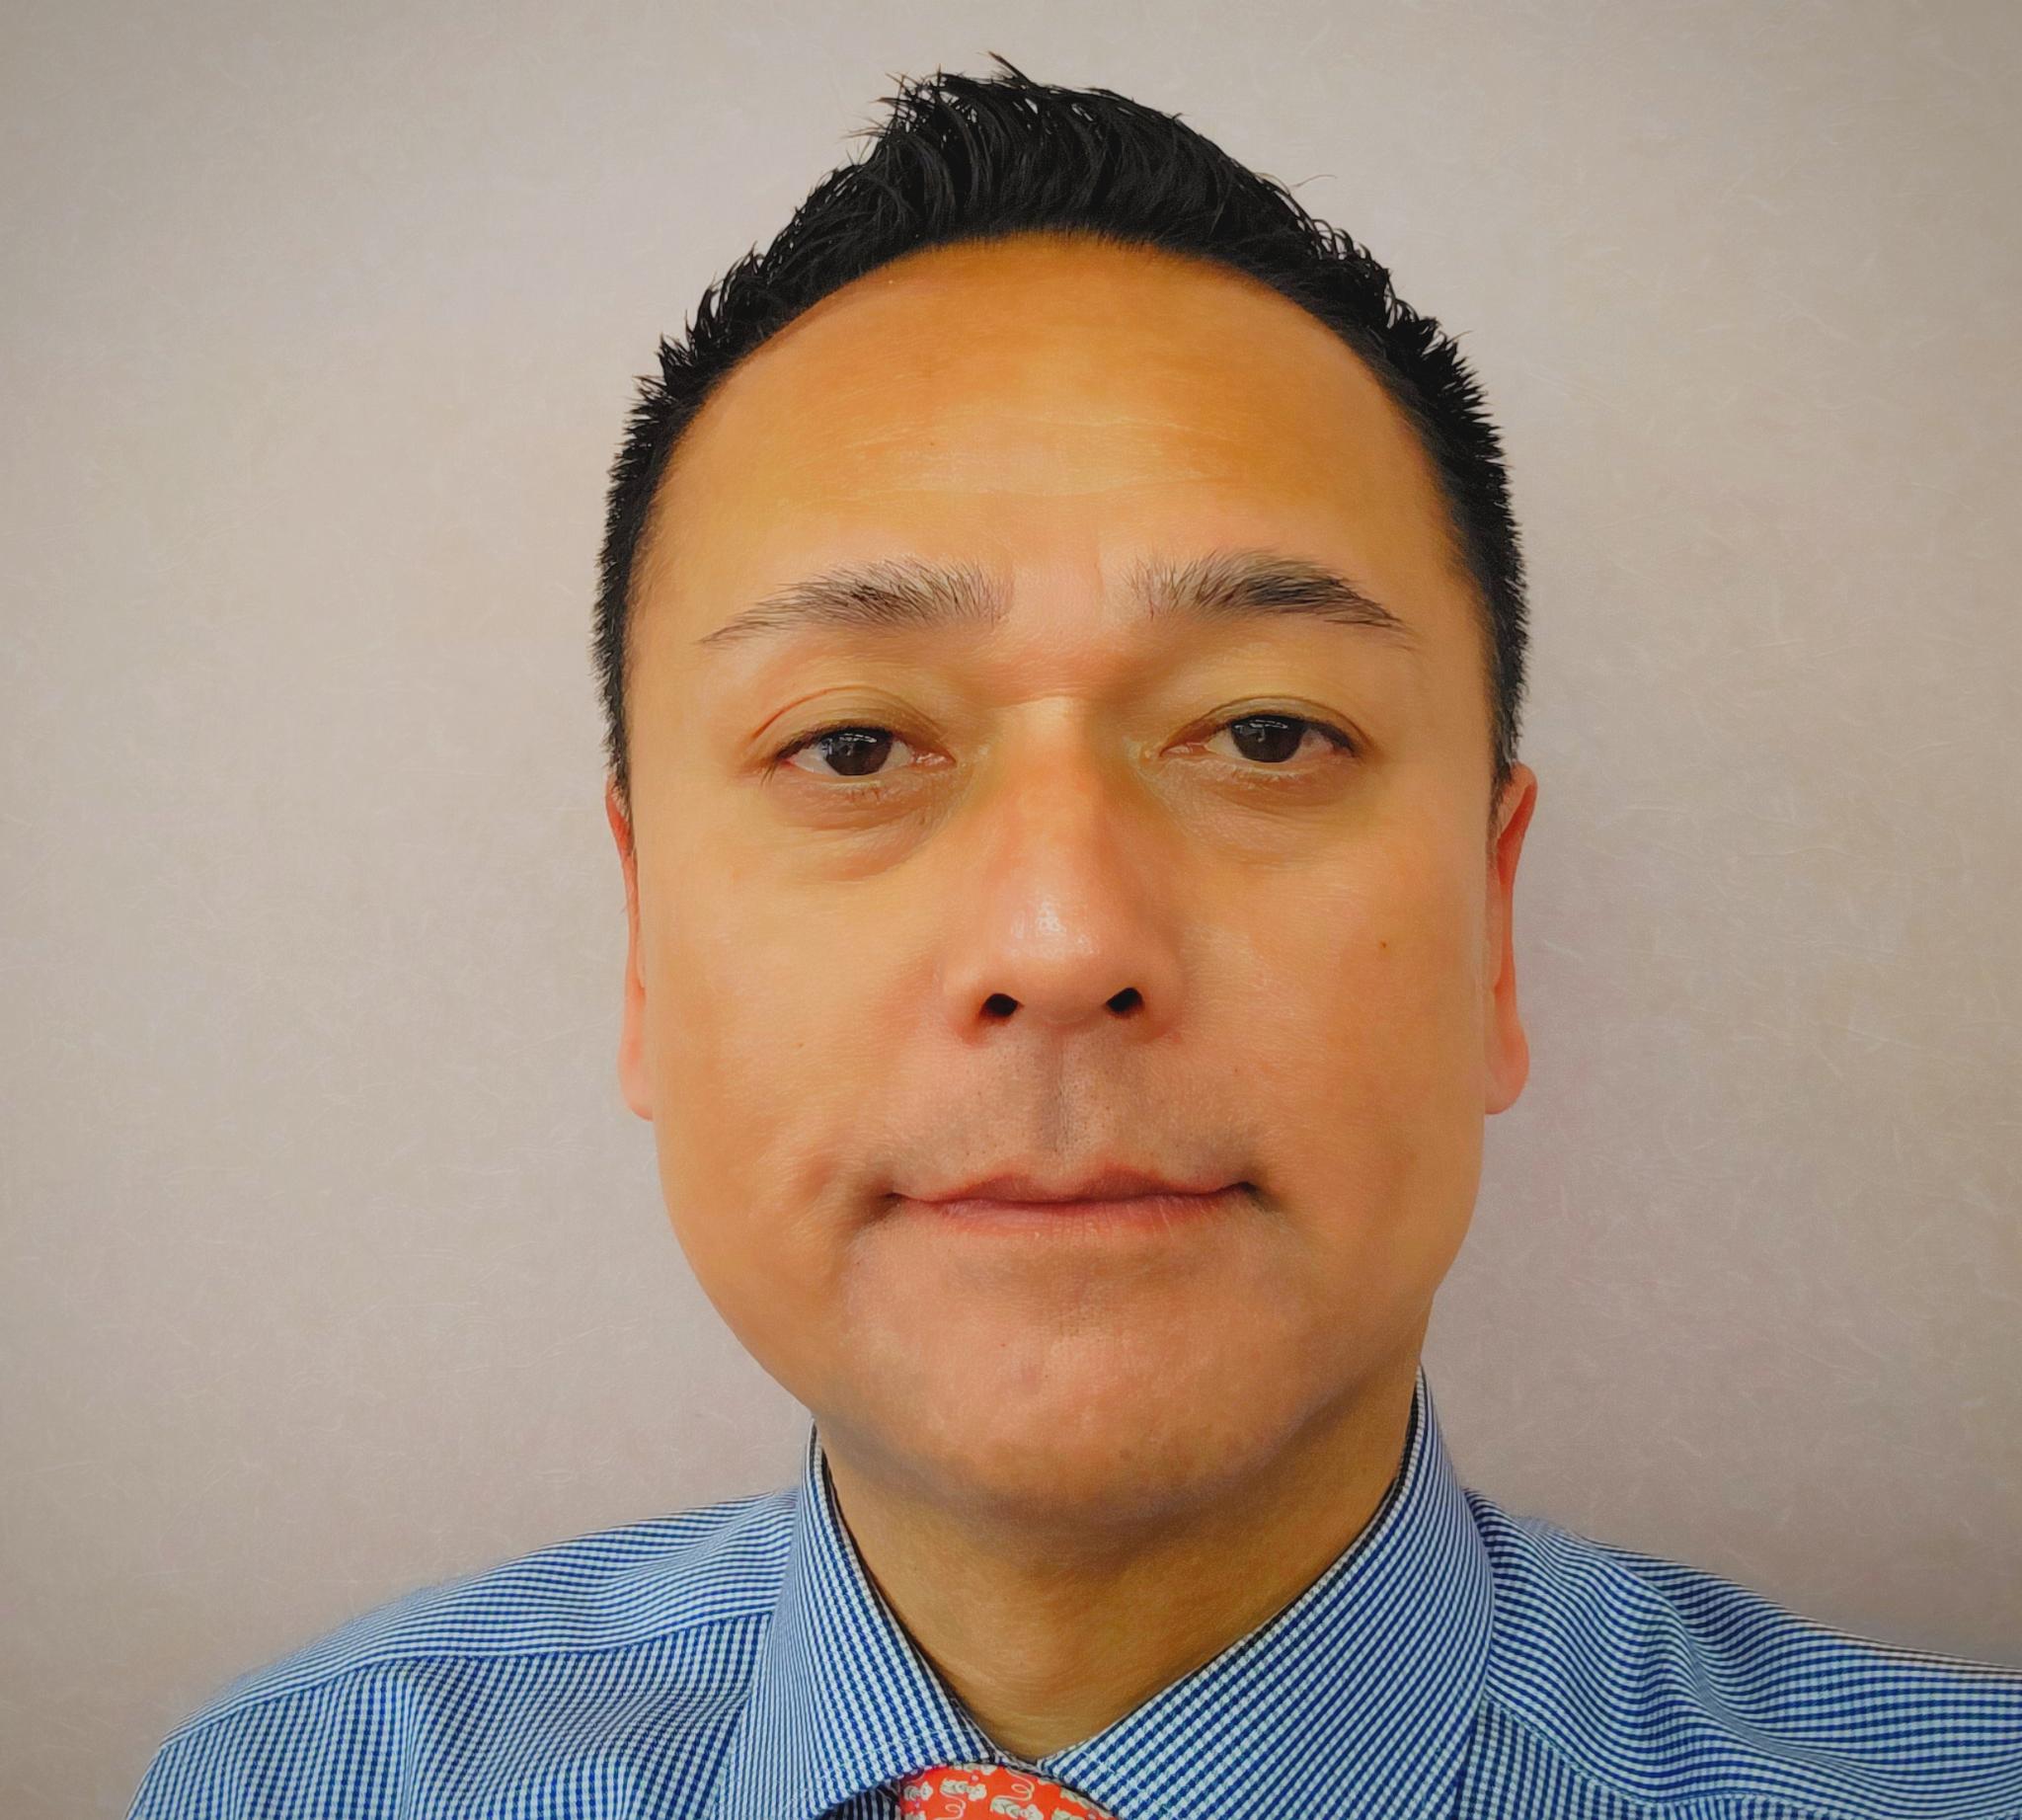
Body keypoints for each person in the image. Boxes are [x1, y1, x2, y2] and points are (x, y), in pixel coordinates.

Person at [126, 54, 2022, 1820]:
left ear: (1495, 934)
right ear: (641, 952)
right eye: (851, 746)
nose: (1059, 939)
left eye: (1265, 734)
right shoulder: (297, 1784)